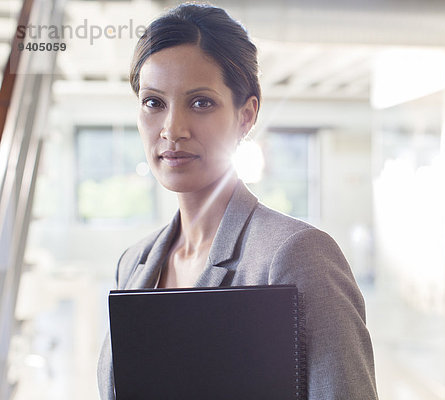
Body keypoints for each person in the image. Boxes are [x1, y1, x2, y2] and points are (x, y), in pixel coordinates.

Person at [97, 3, 378, 399]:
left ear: (246, 116)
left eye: (200, 102)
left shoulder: (297, 256)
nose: (172, 129)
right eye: (154, 102)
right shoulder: (134, 264)